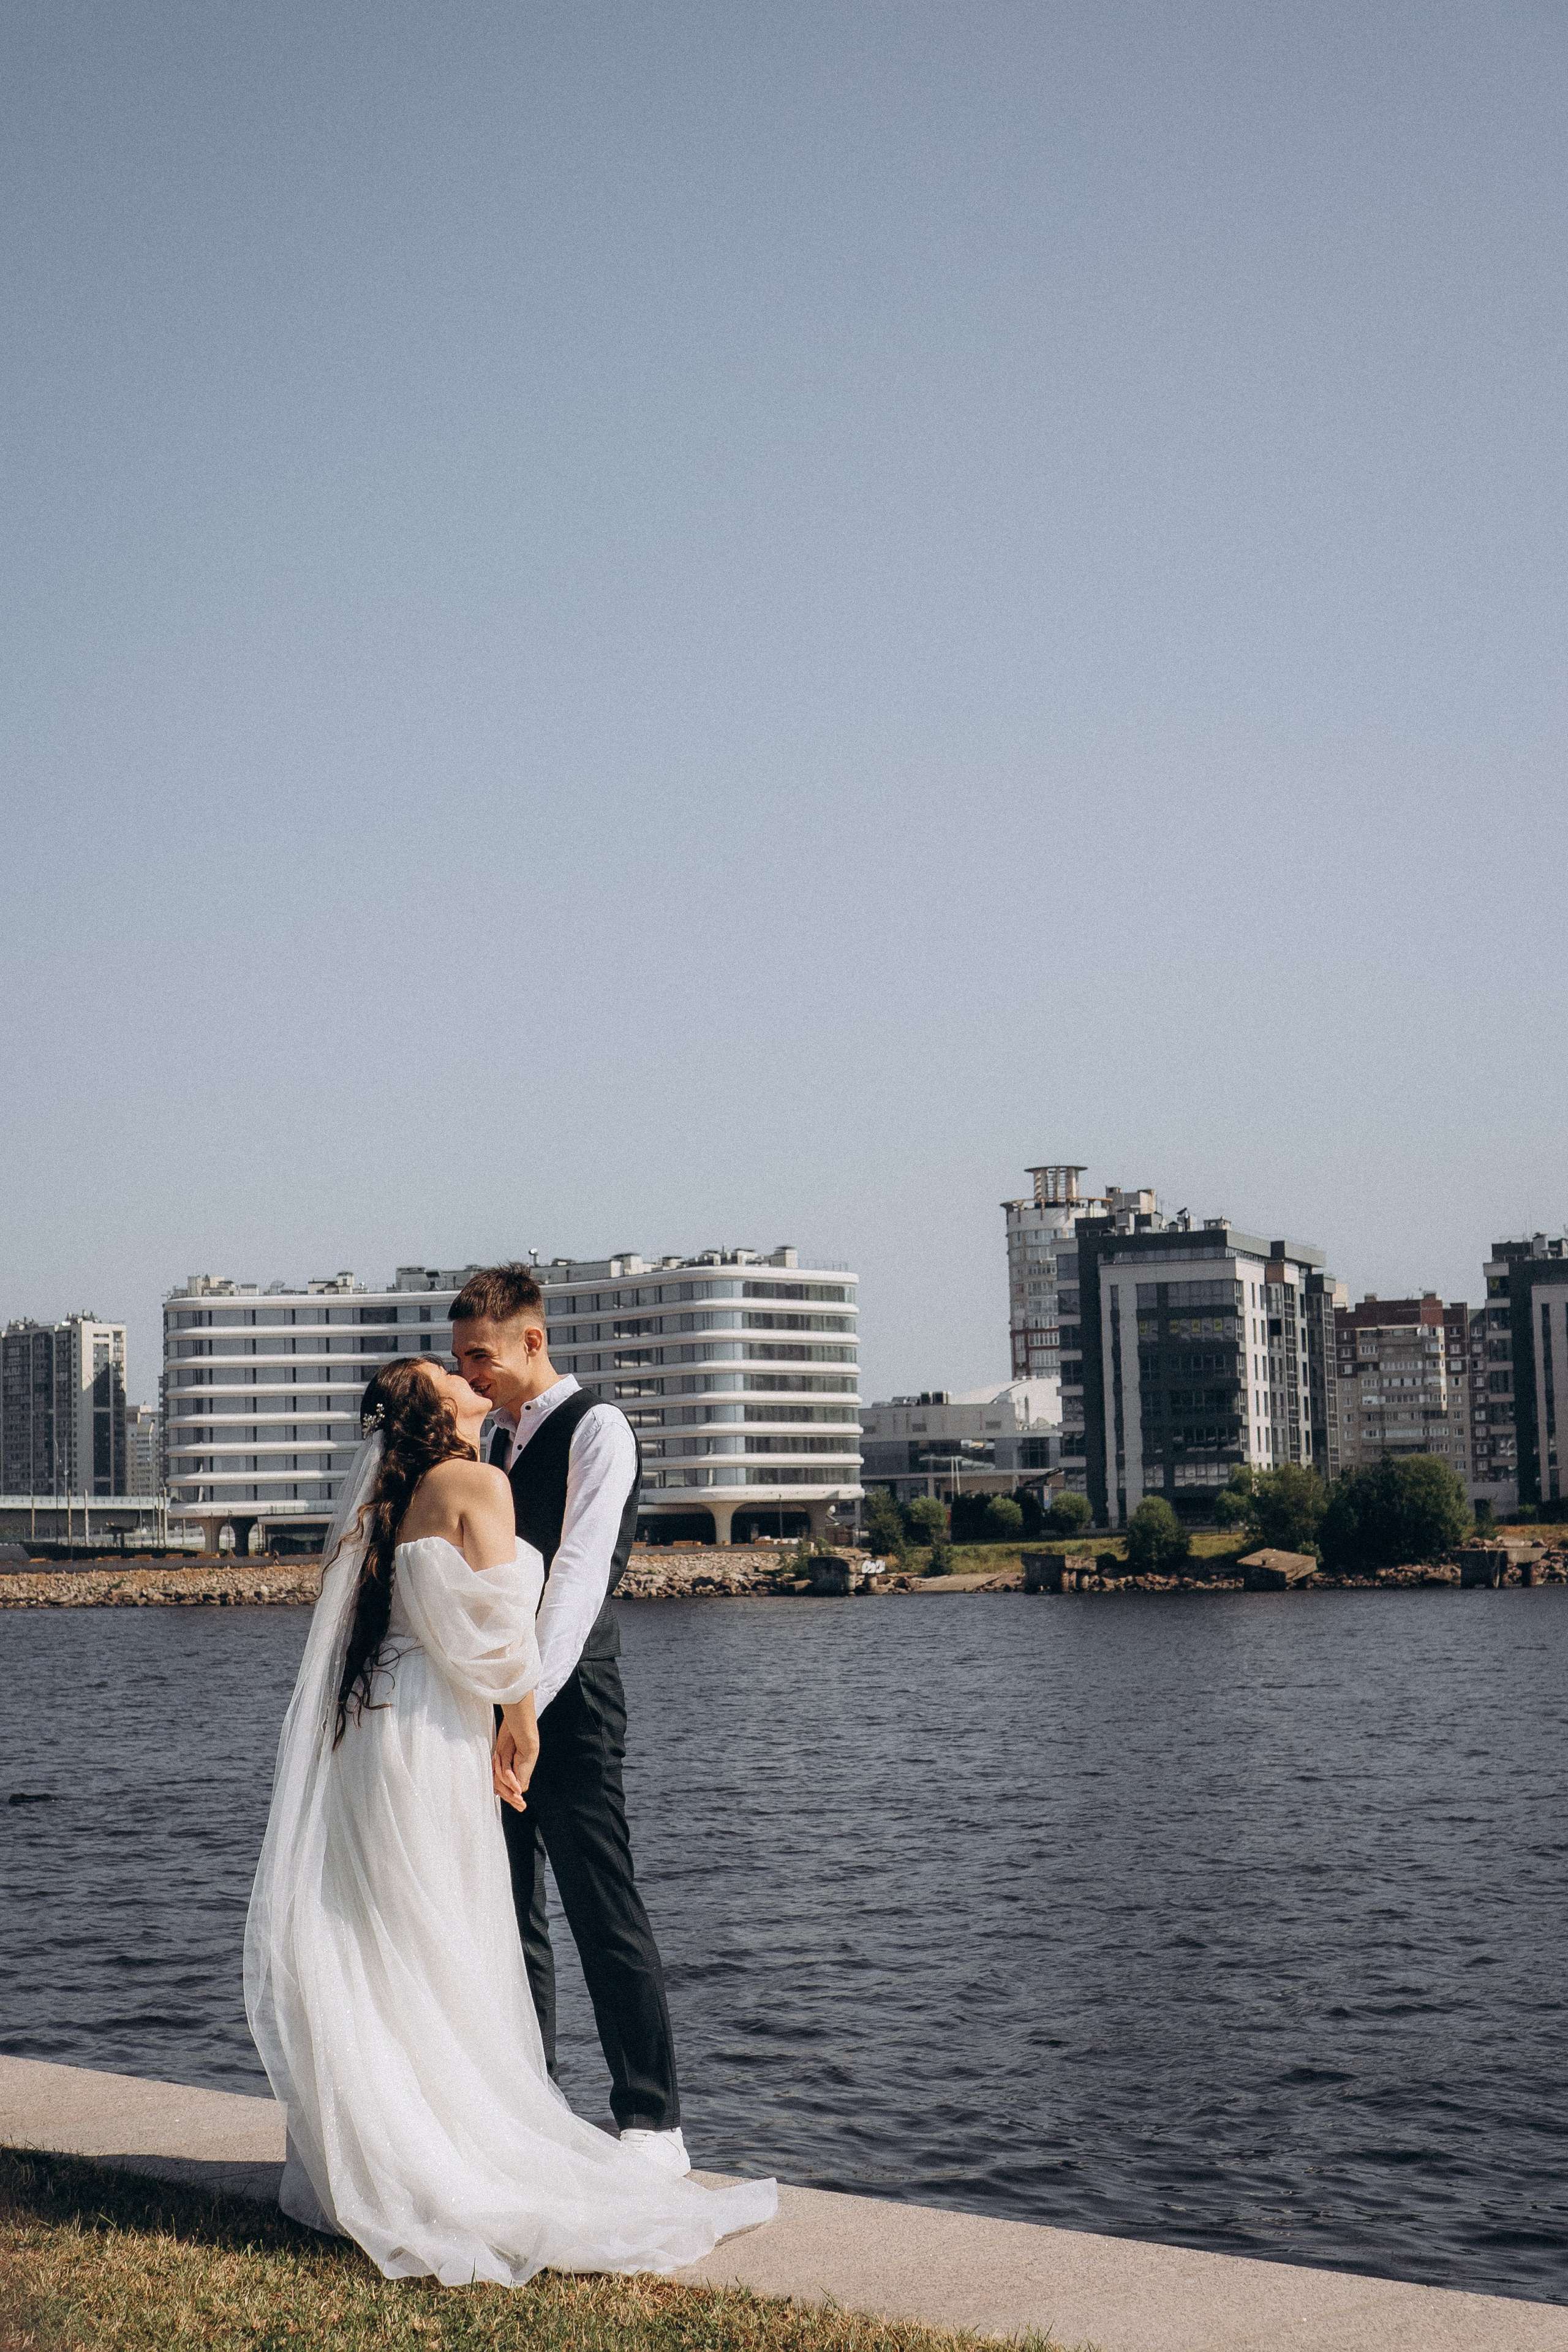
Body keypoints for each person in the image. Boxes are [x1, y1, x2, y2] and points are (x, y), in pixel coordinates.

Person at [244, 1355, 774, 2286]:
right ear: (438, 1406)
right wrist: (519, 1727)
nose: (463, 1372)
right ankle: (462, 2147)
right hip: (439, 1730)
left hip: (372, 1733)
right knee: (450, 1924)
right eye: (446, 1372)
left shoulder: (384, 1501)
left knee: (385, 1932)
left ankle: (384, 2145)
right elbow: (502, 1633)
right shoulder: (476, 1481)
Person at [448, 1265, 686, 2172]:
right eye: (462, 1358)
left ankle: (653, 2124)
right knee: (509, 1915)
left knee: (601, 1905)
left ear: (532, 1341)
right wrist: (495, 1708)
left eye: (483, 1356)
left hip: (571, 1703)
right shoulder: (490, 1441)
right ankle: (530, 2105)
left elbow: (581, 1579)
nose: (472, 1373)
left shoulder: (600, 1428)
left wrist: (528, 1710)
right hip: (497, 1706)